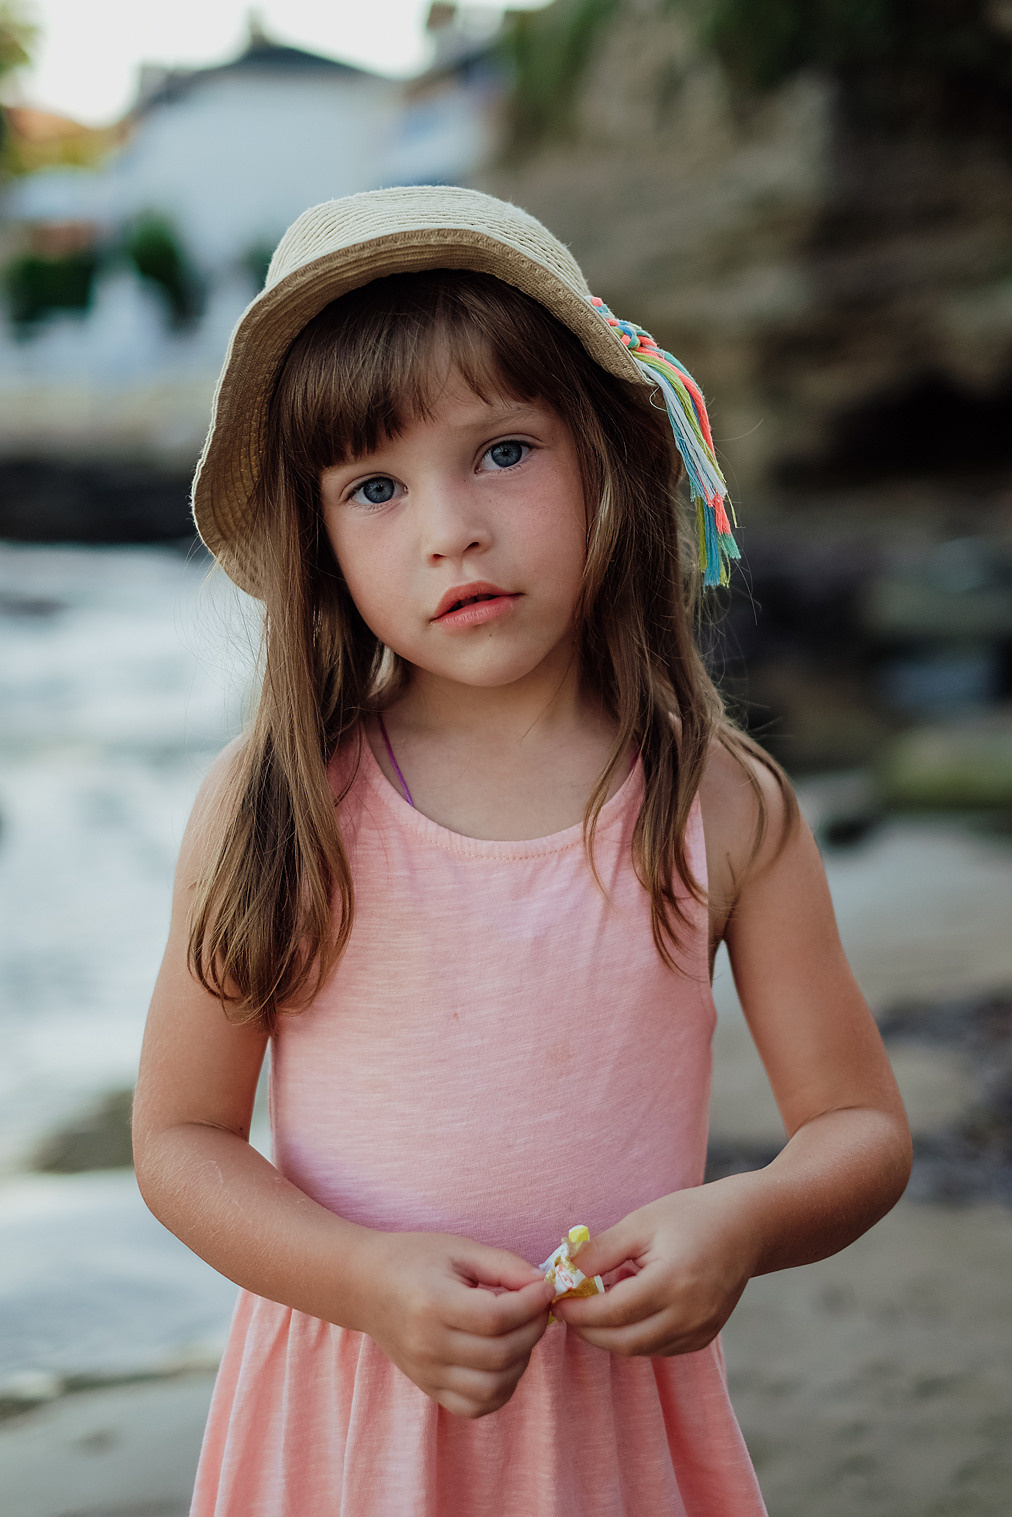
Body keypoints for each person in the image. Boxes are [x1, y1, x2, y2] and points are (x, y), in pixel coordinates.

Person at [132, 186, 912, 1516]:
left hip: (613, 1441)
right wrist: (362, 1278)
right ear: (319, 542)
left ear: (606, 454)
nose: (451, 527)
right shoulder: (281, 801)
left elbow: (859, 1127)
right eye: (374, 486)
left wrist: (744, 1221)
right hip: (354, 1424)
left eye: (501, 451)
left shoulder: (719, 802)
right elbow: (183, 1138)